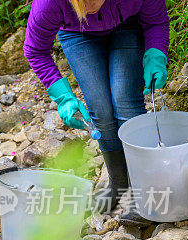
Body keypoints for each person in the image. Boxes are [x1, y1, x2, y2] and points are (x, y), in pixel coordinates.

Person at [24, 0, 169, 213]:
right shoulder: (49, 3)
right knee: (100, 110)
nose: (90, 6)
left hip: (127, 26)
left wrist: (156, 54)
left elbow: (156, 21)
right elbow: (35, 50)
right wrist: (63, 97)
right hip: (78, 35)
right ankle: (118, 185)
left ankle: (147, 189)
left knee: (125, 103)